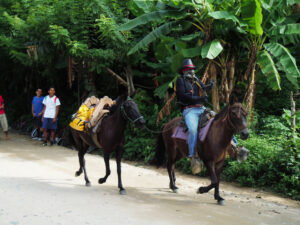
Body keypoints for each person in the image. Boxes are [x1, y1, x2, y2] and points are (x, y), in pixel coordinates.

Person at [175, 59, 214, 174]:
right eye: (189, 69)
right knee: (192, 130)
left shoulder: (196, 80)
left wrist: (210, 86)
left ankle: (236, 147)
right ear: (184, 71)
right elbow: (182, 96)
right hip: (189, 109)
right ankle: (192, 155)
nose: (192, 71)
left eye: (192, 69)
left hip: (201, 108)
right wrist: (199, 99)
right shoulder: (180, 81)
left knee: (218, 119)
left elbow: (204, 88)